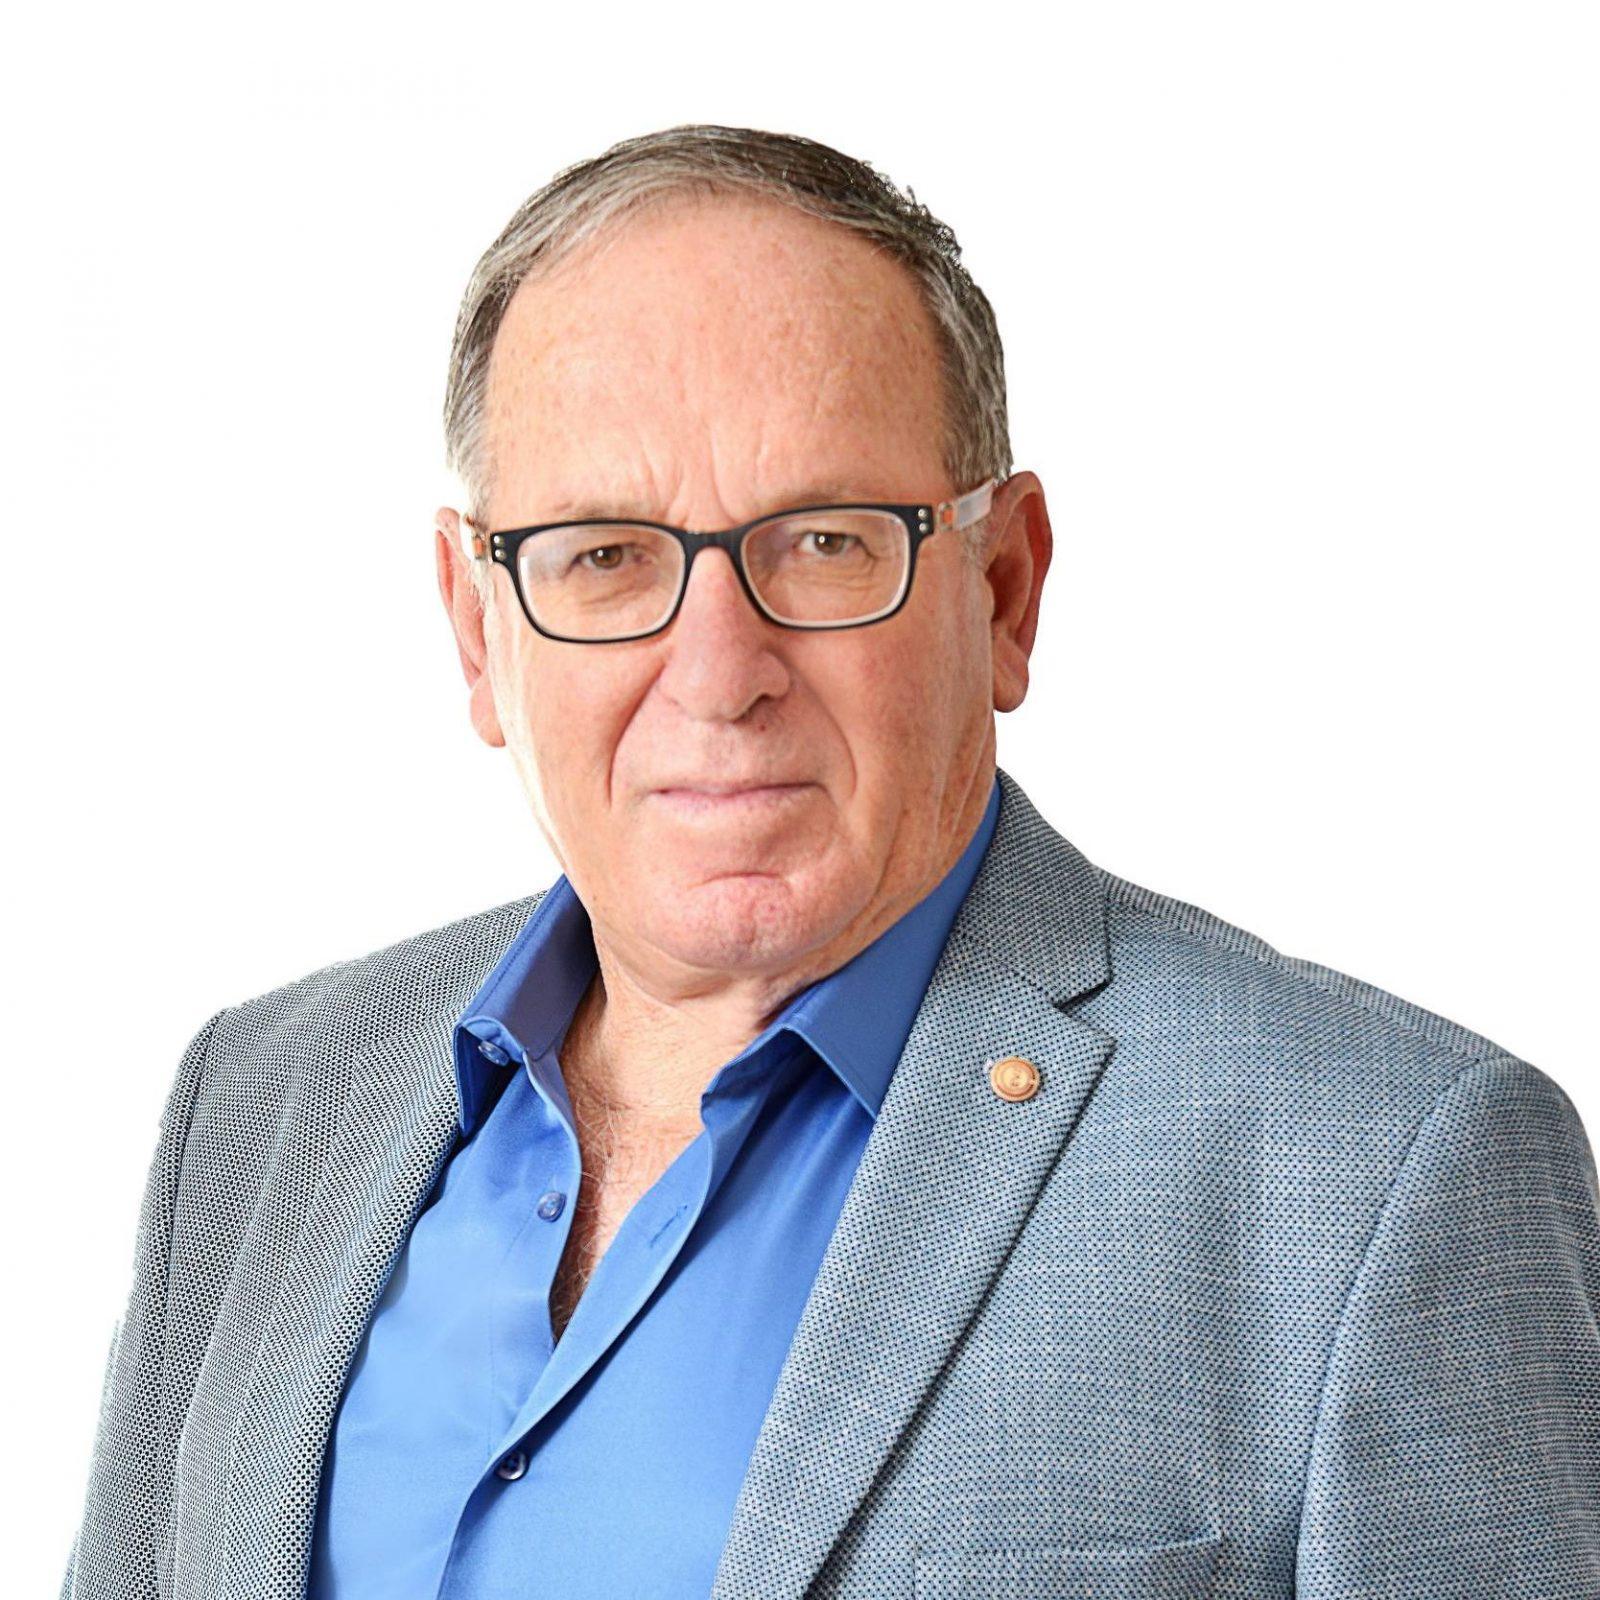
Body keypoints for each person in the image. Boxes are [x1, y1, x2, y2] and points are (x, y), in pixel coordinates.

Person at [60, 124, 1599, 1600]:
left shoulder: (1380, 1173)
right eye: (606, 556)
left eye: (824, 541)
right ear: (479, 631)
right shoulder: (259, 1107)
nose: (718, 673)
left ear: (1004, 589)